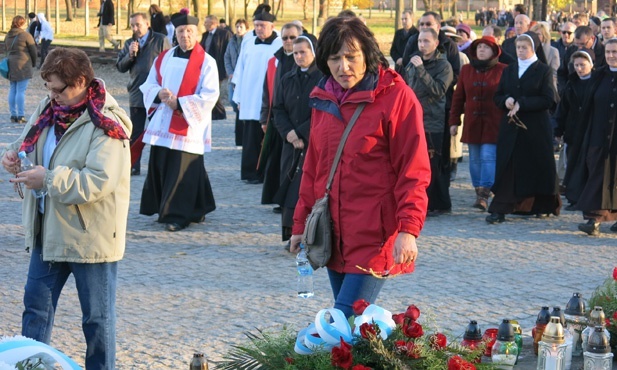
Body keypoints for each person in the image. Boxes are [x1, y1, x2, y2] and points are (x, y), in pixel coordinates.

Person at [289, 16, 431, 318]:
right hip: (332, 234)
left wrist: (409, 229)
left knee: (340, 321)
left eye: (351, 57)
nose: (344, 67)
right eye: (335, 58)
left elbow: (413, 170)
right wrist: (300, 225)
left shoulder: (396, 97)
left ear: (368, 53)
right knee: (354, 331)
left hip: (374, 235)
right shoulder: (323, 98)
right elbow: (313, 169)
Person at [1, 47, 131, 370]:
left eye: (58, 89)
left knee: (97, 322)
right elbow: (23, 142)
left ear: (82, 82)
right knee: (35, 312)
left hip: (91, 239)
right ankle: (28, 367)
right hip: (48, 232)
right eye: (47, 87)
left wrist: (48, 180)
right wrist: (11, 155)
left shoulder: (107, 125)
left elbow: (97, 182)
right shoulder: (47, 109)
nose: (51, 96)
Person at [139, 12, 219, 232]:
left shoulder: (207, 62)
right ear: (176, 33)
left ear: (198, 34)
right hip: (163, 122)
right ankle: (198, 206)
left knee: (183, 168)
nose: (185, 35)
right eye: (181, 31)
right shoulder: (164, 58)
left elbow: (210, 94)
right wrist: (158, 94)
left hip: (188, 124)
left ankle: (177, 215)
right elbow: (149, 84)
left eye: (190, 31)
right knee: (164, 163)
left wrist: (180, 105)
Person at [486, 34, 561, 223]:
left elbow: (548, 99)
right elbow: (498, 96)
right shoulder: (510, 70)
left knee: (537, 166)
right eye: (518, 47)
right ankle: (501, 207)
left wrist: (522, 103)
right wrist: (507, 100)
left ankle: (541, 205)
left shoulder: (543, 70)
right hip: (511, 128)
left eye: (524, 47)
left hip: (535, 128)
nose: (520, 51)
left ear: (533, 48)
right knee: (508, 166)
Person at [272, 36, 322, 245]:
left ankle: (312, 235)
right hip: (290, 144)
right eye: (296, 52)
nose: (299, 56)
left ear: (313, 52)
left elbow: (321, 110)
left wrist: (302, 133)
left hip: (314, 142)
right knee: (290, 186)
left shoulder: (323, 79)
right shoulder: (287, 78)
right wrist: (289, 133)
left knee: (310, 187)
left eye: (303, 52)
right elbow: (278, 109)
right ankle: (291, 233)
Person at [449, 36, 506, 211]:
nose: (482, 50)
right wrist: (454, 121)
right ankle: (478, 191)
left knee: (488, 156)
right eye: (479, 47)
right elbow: (458, 97)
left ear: (494, 51)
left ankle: (484, 193)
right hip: (473, 122)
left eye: (486, 47)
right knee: (474, 159)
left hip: (494, 122)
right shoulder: (466, 70)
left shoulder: (503, 70)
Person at [567, 39, 617, 235]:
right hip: (597, 134)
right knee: (596, 174)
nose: (612, 56)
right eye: (609, 52)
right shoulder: (599, 76)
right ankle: (593, 219)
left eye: (615, 52)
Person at [406, 28, 454, 216]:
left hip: (432, 121)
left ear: (435, 44)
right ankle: (419, 202)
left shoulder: (444, 66)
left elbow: (438, 90)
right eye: (419, 41)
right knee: (415, 164)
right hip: (413, 119)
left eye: (426, 41)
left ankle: (439, 203)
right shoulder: (412, 62)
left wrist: (421, 70)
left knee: (434, 164)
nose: (422, 45)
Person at [116, 12, 170, 176]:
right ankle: (133, 165)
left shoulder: (160, 40)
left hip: (157, 94)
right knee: (136, 132)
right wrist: (130, 55)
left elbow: (170, 63)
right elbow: (120, 66)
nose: (135, 28)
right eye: (132, 25)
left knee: (160, 130)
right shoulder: (129, 43)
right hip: (137, 93)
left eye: (138, 24)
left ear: (147, 24)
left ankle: (161, 166)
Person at [232, 6, 282, 184]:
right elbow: (240, 69)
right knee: (251, 137)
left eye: (262, 25)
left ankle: (267, 173)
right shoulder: (248, 42)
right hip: (250, 96)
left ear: (272, 26)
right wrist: (238, 97)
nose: (258, 29)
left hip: (270, 97)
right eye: (256, 25)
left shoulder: (280, 44)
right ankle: (250, 172)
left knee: (269, 137)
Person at [259, 22, 302, 210]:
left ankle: (292, 200)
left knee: (294, 162)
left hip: (297, 120)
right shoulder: (274, 60)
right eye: (285, 37)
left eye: (293, 37)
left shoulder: (302, 60)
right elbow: (266, 91)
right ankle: (279, 198)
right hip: (277, 117)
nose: (288, 41)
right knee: (277, 161)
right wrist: (263, 117)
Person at [554, 50, 595, 211]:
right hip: (573, 129)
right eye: (576, 65)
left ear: (591, 64)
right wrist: (558, 129)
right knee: (573, 163)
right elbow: (562, 109)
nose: (579, 69)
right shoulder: (572, 83)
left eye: (582, 65)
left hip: (591, 128)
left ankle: (587, 198)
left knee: (588, 165)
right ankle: (574, 197)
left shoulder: (597, 82)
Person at [5, 16, 37, 124]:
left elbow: (6, 49)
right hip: (23, 64)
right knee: (21, 90)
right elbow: (33, 50)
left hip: (11, 63)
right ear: (22, 23)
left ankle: (13, 114)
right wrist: (33, 62)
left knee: (13, 89)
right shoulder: (25, 35)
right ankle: (21, 115)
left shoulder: (8, 35)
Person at [200, 15, 232, 121]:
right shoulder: (205, 35)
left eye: (207, 23)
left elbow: (228, 51)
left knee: (214, 90)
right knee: (209, 89)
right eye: (205, 23)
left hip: (218, 67)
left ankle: (220, 112)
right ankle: (215, 112)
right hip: (205, 66)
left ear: (214, 23)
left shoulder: (224, 34)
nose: (205, 25)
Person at [224, 18, 248, 146]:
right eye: (237, 26)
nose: (238, 29)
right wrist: (230, 72)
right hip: (233, 78)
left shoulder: (249, 41)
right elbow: (226, 57)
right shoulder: (232, 41)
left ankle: (243, 129)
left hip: (244, 78)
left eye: (241, 27)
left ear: (246, 29)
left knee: (241, 105)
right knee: (233, 101)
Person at [530, 22, 560, 89]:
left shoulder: (553, 51)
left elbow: (554, 73)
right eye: (534, 34)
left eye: (538, 34)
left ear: (544, 36)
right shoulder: (528, 50)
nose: (535, 36)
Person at [390, 10, 418, 76]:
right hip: (399, 68)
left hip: (411, 69)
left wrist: (404, 60)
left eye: (406, 19)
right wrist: (397, 58)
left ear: (412, 19)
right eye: (402, 19)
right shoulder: (398, 33)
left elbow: (416, 52)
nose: (403, 21)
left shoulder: (417, 34)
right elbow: (393, 50)